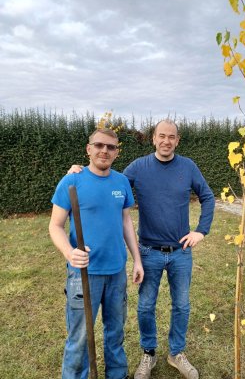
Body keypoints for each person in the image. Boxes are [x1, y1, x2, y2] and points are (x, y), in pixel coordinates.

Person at [68, 119, 215, 379]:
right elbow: (108, 179)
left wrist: (200, 231)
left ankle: (176, 352)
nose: (166, 141)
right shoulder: (138, 167)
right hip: (148, 252)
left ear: (177, 141)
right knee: (146, 306)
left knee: (181, 305)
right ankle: (149, 353)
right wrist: (80, 171)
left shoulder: (188, 167)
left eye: (171, 137)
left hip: (181, 252)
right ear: (154, 138)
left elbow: (207, 196)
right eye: (162, 136)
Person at [49, 128, 144, 379]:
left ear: (116, 153)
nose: (105, 150)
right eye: (99, 145)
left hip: (116, 273)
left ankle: (117, 374)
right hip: (83, 275)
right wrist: (70, 252)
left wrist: (137, 260)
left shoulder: (121, 182)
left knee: (115, 333)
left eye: (111, 147)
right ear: (88, 149)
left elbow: (125, 222)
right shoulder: (72, 181)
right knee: (79, 338)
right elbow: (55, 225)